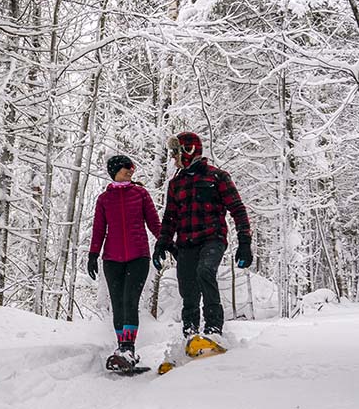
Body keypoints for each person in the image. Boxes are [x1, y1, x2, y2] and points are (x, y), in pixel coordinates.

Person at [153, 132, 252, 342]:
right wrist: (162, 243)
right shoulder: (175, 184)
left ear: (188, 151)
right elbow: (170, 217)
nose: (173, 157)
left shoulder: (217, 176)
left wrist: (245, 242)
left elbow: (238, 209)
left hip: (212, 238)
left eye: (176, 152)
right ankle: (190, 336)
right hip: (186, 244)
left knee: (205, 271)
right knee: (187, 289)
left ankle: (213, 330)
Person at [88, 155, 161, 371]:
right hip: (112, 260)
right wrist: (93, 254)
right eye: (127, 167)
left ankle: (128, 349)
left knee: (130, 301)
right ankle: (122, 350)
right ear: (115, 170)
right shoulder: (104, 199)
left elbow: (154, 223)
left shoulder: (140, 194)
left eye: (132, 167)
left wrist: (165, 243)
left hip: (138, 257)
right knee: (118, 304)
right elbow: (99, 229)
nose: (131, 170)